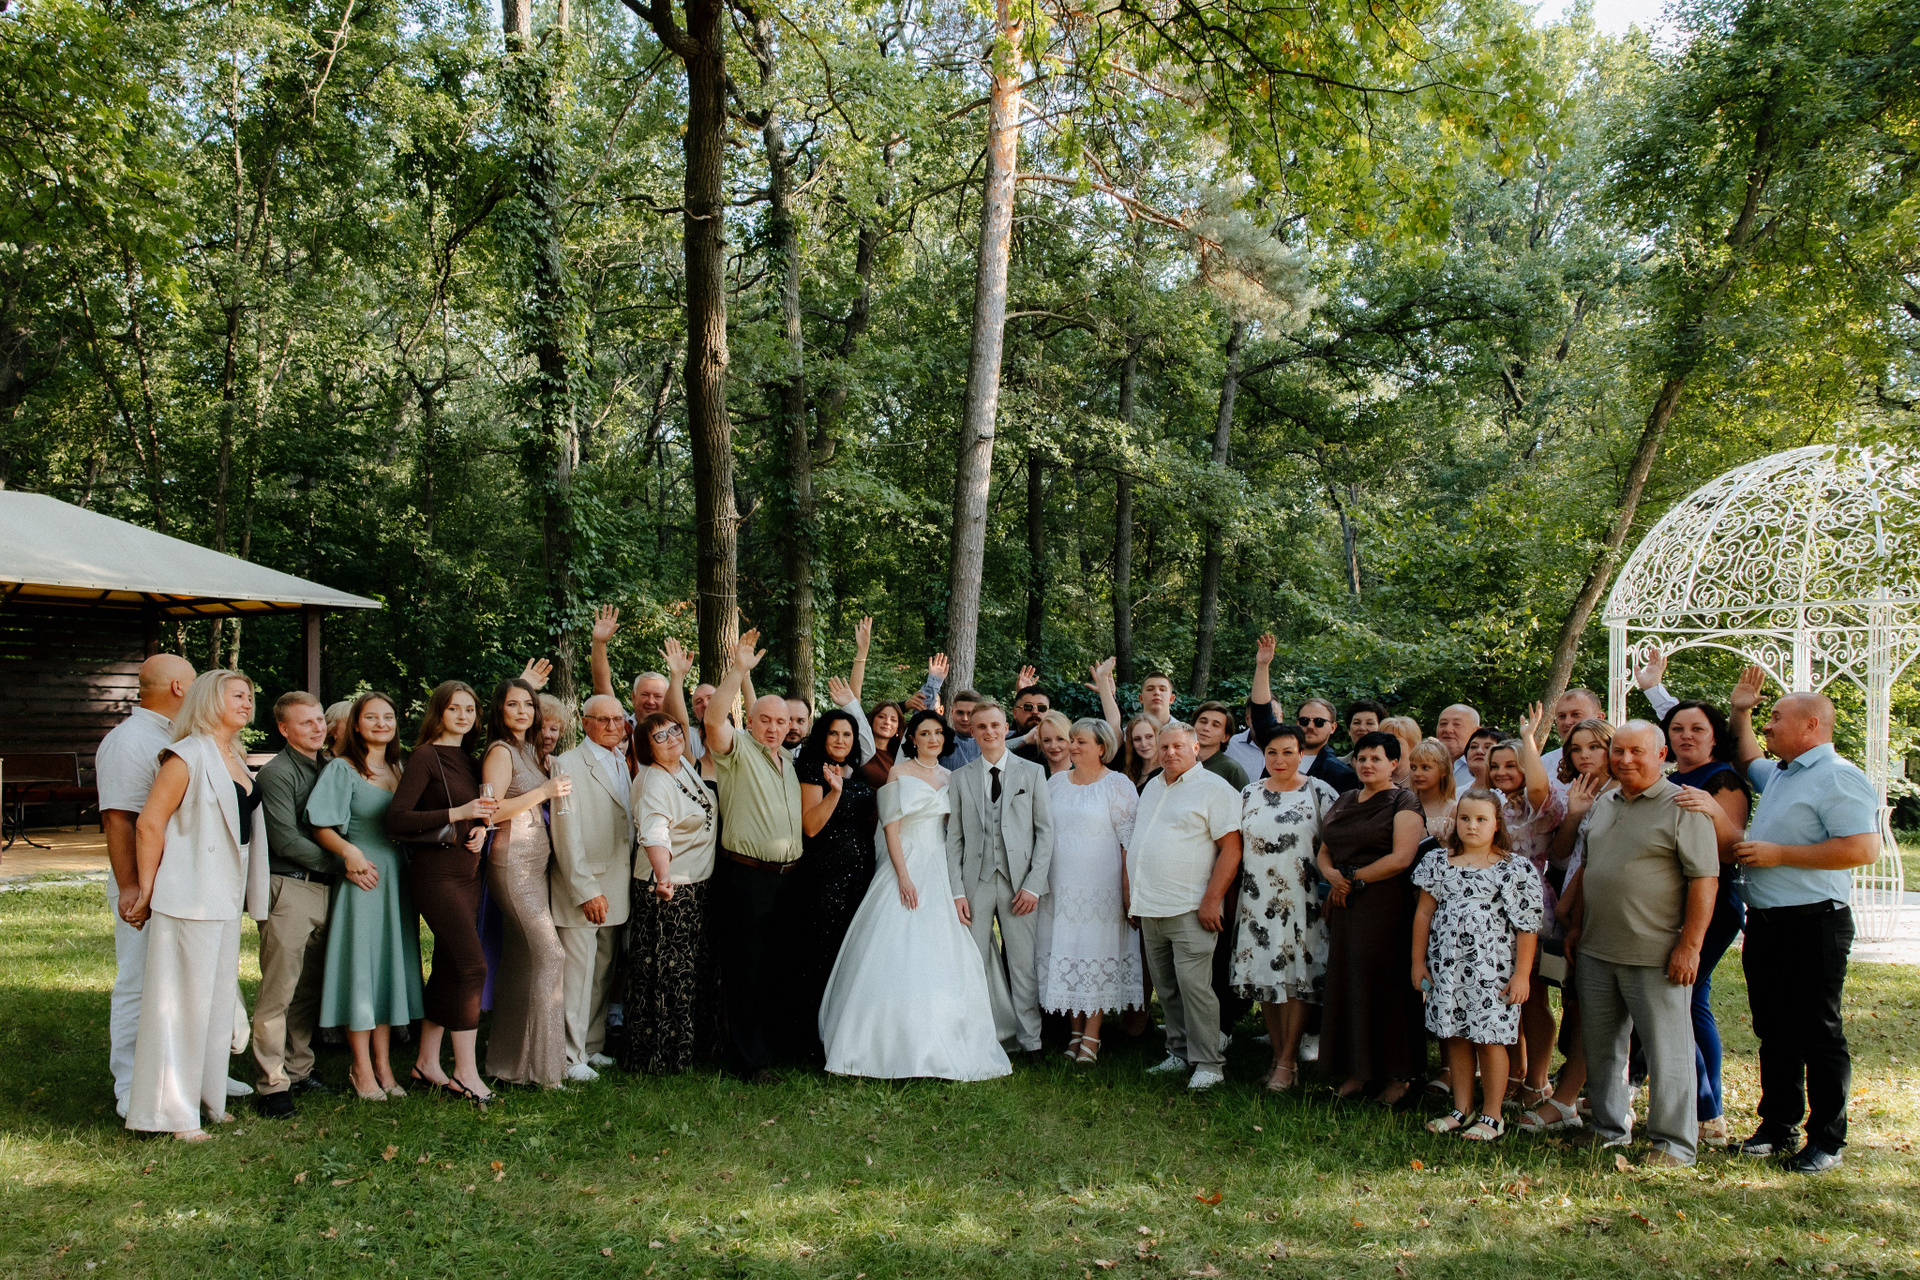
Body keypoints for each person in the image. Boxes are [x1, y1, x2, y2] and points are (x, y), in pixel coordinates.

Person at [1726, 671, 1880, 1173]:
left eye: (1775, 717)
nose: (1768, 726)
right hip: (1767, 923)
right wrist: (1742, 712)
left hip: (1814, 924)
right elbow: (1747, 759)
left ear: (1811, 725)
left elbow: (1863, 848)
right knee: (1775, 1030)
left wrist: (1779, 854)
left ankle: (1827, 1141)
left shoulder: (1837, 775)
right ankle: (1778, 1125)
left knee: (1818, 1032)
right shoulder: (1784, 773)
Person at [817, 710, 1011, 1079]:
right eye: (924, 733)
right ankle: (879, 1044)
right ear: (913, 739)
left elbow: (956, 832)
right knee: (893, 944)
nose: (932, 739)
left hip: (940, 864)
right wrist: (904, 877)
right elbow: (891, 829)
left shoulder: (952, 778)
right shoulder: (899, 773)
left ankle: (945, 1037)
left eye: (937, 733)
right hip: (904, 861)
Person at [98, 653, 252, 1118]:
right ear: (182, 688)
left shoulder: (188, 737)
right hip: (153, 883)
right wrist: (132, 887)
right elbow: (121, 819)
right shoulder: (131, 740)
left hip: (197, 882)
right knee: (141, 982)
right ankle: (132, 1082)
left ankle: (199, 1074)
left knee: (195, 983)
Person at [1575, 720, 1719, 1167]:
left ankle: (1674, 1144)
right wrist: (1577, 928)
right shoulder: (1605, 801)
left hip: (1655, 954)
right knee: (1602, 1048)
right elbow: (1590, 869)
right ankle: (1608, 1128)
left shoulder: (1684, 806)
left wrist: (1690, 946)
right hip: (1596, 949)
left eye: (1637, 751)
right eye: (1618, 751)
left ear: (1660, 755)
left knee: (1667, 1052)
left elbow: (1704, 880)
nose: (1625, 760)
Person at [703, 630, 806, 1082]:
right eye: (765, 720)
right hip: (747, 878)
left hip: (788, 879)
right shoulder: (737, 750)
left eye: (781, 722)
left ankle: (772, 1046)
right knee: (745, 969)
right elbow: (713, 719)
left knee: (776, 967)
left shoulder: (787, 762)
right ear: (750, 721)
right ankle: (749, 1062)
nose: (774, 727)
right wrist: (738, 670)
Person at [385, 679, 494, 1102]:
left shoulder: (469, 759)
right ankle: (466, 1072)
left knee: (450, 966)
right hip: (436, 874)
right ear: (439, 712)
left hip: (469, 874)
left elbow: (479, 812)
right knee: (472, 967)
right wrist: (458, 812)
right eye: (454, 709)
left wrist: (480, 827)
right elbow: (397, 819)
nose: (463, 716)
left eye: (470, 709)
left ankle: (426, 1063)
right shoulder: (425, 757)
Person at [311, 691, 422, 1101]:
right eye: (371, 717)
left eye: (388, 717)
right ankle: (361, 1068)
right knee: (362, 970)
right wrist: (349, 853)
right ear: (356, 725)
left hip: (397, 879)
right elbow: (320, 825)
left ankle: (384, 1066)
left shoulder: (398, 767)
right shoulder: (342, 769)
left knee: (387, 970)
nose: (381, 724)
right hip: (363, 877)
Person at [1413, 789, 1542, 1141]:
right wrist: (1417, 962)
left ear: (1497, 824)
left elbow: (1526, 926)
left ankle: (1492, 1115)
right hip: (1448, 968)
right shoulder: (1439, 863)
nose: (1472, 826)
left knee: (1489, 1038)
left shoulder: (1514, 869)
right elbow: (1423, 914)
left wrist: (1522, 975)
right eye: (1465, 818)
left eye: (1481, 819)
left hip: (1492, 971)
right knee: (1455, 1034)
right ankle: (1462, 1108)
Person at [1128, 721, 1242, 1090]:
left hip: (1191, 907)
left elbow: (1232, 849)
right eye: (1164, 747)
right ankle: (1178, 1051)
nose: (1170, 753)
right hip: (1151, 907)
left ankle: (1209, 1064)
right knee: (1167, 988)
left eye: (1178, 746)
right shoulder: (1153, 786)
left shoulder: (1214, 789)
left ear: (1195, 748)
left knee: (1195, 989)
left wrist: (1212, 900)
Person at [1316, 731, 1427, 1104]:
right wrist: (1332, 876)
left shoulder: (1403, 800)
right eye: (1361, 758)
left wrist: (1352, 879)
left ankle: (1400, 1074)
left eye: (1376, 758)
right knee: (1350, 983)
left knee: (1386, 985)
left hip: (1384, 905)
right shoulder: (1346, 798)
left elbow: (1401, 858)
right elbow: (1325, 849)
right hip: (1345, 904)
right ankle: (1358, 1071)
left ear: (1393, 764)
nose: (1366, 765)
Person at [1517, 716, 1615, 1133]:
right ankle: (1581, 1094)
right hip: (1572, 906)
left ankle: (1568, 1099)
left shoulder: (1623, 792)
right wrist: (1574, 813)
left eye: (1594, 747)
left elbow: (1598, 860)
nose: (1584, 755)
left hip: (1602, 905)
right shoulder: (1575, 790)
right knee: (1575, 1000)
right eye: (1576, 749)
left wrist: (1568, 909)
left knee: (1594, 1006)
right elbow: (1559, 855)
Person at [1662, 697, 1751, 1149]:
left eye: (1697, 729)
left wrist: (1712, 810)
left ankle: (1706, 1109)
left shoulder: (1723, 780)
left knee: (1680, 998)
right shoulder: (1668, 779)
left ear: (1715, 736)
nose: (1686, 736)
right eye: (1678, 728)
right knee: (1693, 1000)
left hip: (1711, 901)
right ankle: (1708, 1111)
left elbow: (1731, 849)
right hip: (1671, 900)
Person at [945, 698, 1055, 1058]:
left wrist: (1034, 885)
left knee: (1023, 963)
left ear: (1006, 728)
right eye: (981, 727)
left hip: (1019, 883)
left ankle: (1030, 1040)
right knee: (973, 961)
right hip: (975, 882)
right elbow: (954, 839)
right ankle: (974, 1037)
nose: (989, 732)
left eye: (995, 725)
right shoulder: (960, 778)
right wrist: (957, 892)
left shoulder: (1032, 773)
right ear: (973, 732)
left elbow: (1045, 833)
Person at [1232, 722, 1339, 1091]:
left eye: (1288, 752)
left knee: (1296, 981)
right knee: (1265, 977)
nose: (1279, 760)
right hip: (1257, 902)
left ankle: (1289, 1059)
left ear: (1302, 754)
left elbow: (1335, 846)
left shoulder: (1319, 792)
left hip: (1302, 902)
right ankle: (1278, 1057)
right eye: (1272, 752)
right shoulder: (1249, 793)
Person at [481, 677, 572, 1087]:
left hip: (536, 865)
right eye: (513, 705)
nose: (522, 712)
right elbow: (491, 810)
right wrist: (545, 791)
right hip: (512, 863)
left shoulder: (527, 751)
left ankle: (509, 1065)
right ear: (499, 710)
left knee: (522, 961)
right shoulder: (500, 751)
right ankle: (546, 1070)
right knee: (551, 954)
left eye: (528, 705)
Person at [251, 691, 339, 1117]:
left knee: (307, 986)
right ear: (284, 729)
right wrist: (345, 861)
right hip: (289, 886)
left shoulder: (329, 766)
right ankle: (271, 1084)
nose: (317, 727)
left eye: (319, 719)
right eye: (306, 722)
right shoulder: (276, 774)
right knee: (279, 989)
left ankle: (298, 1068)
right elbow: (285, 840)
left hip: (327, 888)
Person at [1036, 717, 1142, 1064]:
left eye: (1081, 741)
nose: (1072, 746)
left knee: (1095, 955)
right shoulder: (1055, 783)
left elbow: (1129, 844)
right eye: (1072, 740)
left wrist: (1128, 892)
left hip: (1101, 890)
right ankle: (1075, 1033)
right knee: (1068, 953)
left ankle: (1092, 1037)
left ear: (1102, 748)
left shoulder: (1118, 785)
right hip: (1060, 888)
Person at [624, 710, 718, 1073]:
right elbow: (654, 832)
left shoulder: (682, 767)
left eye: (675, 730)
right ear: (647, 748)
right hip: (669, 891)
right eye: (660, 736)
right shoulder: (654, 782)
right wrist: (663, 877)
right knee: (668, 975)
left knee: (689, 971)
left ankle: (691, 1048)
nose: (672, 738)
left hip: (696, 886)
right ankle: (661, 1056)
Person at [1482, 707, 1566, 1112]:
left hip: (1527, 904)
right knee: (1502, 992)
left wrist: (1529, 740)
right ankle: (1514, 1072)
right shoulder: (1490, 803)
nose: (1501, 772)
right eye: (1495, 765)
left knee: (1531, 995)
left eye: (1510, 765)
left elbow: (1538, 788)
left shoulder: (1538, 807)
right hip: (1487, 908)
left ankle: (1538, 1080)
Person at [549, 695, 635, 1082]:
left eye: (618, 719)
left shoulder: (621, 760)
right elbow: (566, 834)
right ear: (585, 723)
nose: (613, 726)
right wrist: (585, 889)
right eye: (603, 720)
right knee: (578, 975)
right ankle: (569, 1056)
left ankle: (593, 1045)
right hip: (585, 886)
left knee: (601, 971)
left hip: (617, 883)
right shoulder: (567, 764)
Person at [797, 701, 879, 1047]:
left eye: (847, 734)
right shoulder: (812, 769)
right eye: (834, 733)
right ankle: (808, 1036)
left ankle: (840, 1030)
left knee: (849, 948)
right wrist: (835, 792)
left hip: (859, 871)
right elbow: (811, 826)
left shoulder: (856, 772)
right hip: (825, 873)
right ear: (822, 736)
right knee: (821, 949)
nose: (841, 740)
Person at [1249, 675, 1357, 794]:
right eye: (1304, 721)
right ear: (1297, 723)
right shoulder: (1277, 750)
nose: (1310, 726)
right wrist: (1262, 667)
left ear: (1333, 727)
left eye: (1319, 722)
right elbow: (1261, 713)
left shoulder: (1341, 774)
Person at [1540, 688, 1606, 784]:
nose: (1567, 722)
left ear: (1599, 718)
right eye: (1562, 716)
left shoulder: (1618, 760)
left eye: (1576, 714)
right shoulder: (1545, 764)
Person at [1192, 701, 1251, 790]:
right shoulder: (1180, 761)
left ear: (1225, 737)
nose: (1206, 728)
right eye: (1203, 722)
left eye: (1215, 725)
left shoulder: (1232, 770)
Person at [1407, 737, 1457, 841]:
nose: (1417, 773)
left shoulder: (1452, 810)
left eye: (1425, 767)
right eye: (1413, 767)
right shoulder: (1404, 805)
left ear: (1443, 771)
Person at [1434, 704, 1482, 793]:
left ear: (1476, 732)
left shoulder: (1484, 766)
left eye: (1457, 724)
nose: (1448, 730)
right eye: (1443, 724)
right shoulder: (1423, 763)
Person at [861, 701, 906, 790]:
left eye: (893, 720)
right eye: (881, 717)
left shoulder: (898, 758)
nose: (887, 722)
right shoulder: (858, 747)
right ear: (872, 720)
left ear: (897, 728)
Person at [939, 690, 984, 769]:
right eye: (960, 713)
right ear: (952, 713)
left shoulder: (991, 743)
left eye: (970, 714)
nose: (965, 719)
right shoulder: (941, 741)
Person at [1340, 700, 1389, 766]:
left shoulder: (1392, 766)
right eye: (1356, 723)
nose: (1362, 728)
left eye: (1369, 723)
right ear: (1349, 730)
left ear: (1382, 729)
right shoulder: (1336, 765)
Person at [1122, 715, 1161, 790]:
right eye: (1137, 739)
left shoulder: (1166, 773)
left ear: (1159, 737)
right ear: (1131, 743)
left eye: (1149, 737)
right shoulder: (1130, 771)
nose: (1144, 744)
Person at [1381, 717, 1423, 787]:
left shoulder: (1421, 780)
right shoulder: (1371, 778)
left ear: (1413, 746)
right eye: (1384, 742)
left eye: (1396, 743)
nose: (1388, 747)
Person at [1032, 710, 1074, 776]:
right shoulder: (1033, 774)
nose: (1053, 746)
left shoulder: (1085, 774)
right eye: (1046, 740)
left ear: (1071, 740)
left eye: (1060, 739)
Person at [1463, 726, 1500, 791]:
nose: (1479, 751)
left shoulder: (1509, 794)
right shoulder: (1457, 794)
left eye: (1488, 747)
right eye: (1474, 747)